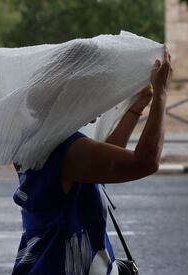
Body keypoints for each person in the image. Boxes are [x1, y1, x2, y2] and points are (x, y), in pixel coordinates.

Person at [11, 45, 172, 275]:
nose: (100, 107)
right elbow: (145, 162)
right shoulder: (65, 149)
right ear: (76, 97)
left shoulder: (37, 139)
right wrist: (162, 95)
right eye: (97, 96)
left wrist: (134, 110)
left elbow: (101, 165)